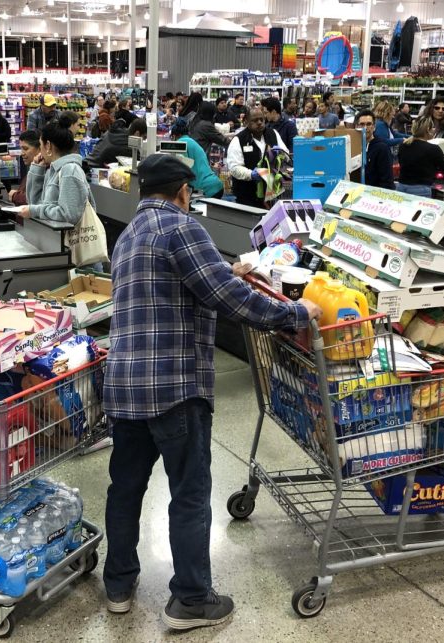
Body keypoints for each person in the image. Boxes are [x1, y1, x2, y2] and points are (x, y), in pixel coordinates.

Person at [102, 153, 321, 629]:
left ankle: (118, 585)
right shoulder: (182, 227)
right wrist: (297, 315)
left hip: (124, 386)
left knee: (125, 489)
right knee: (189, 493)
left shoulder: (129, 236)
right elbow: (228, 301)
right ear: (184, 191)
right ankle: (192, 601)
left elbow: (183, 285)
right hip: (174, 386)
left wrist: (229, 274)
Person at [19, 120, 96, 226]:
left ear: (48, 145)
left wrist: (34, 211)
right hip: (53, 239)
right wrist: (36, 170)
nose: (40, 151)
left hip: (67, 241)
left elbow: (69, 215)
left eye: (41, 145)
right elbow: (35, 204)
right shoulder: (53, 170)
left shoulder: (70, 171)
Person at [227, 107, 289, 209]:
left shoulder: (273, 134)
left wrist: (281, 154)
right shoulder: (238, 140)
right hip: (247, 196)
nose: (259, 122)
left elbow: (286, 155)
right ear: (246, 121)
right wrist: (250, 174)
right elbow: (234, 167)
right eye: (255, 120)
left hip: (272, 193)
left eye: (261, 119)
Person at [395, 116, 444, 196]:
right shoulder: (433, 149)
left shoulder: (403, 145)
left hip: (401, 187)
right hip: (421, 190)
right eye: (432, 127)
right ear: (427, 130)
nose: (434, 130)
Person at [169, 118, 224, 198]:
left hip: (205, 188)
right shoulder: (192, 142)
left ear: (173, 136)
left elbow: (183, 169)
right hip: (215, 184)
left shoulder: (180, 144)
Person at [356, 109, 395, 190]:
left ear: (374, 127)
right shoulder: (354, 147)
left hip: (374, 196)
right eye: (362, 124)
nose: (365, 128)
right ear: (357, 126)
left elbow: (387, 181)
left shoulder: (382, 148)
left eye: (369, 124)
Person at [9, 130, 42, 206]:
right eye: (21, 149)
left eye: (26, 149)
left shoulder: (44, 171)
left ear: (40, 149)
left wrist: (15, 196)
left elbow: (35, 201)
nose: (22, 153)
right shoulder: (33, 168)